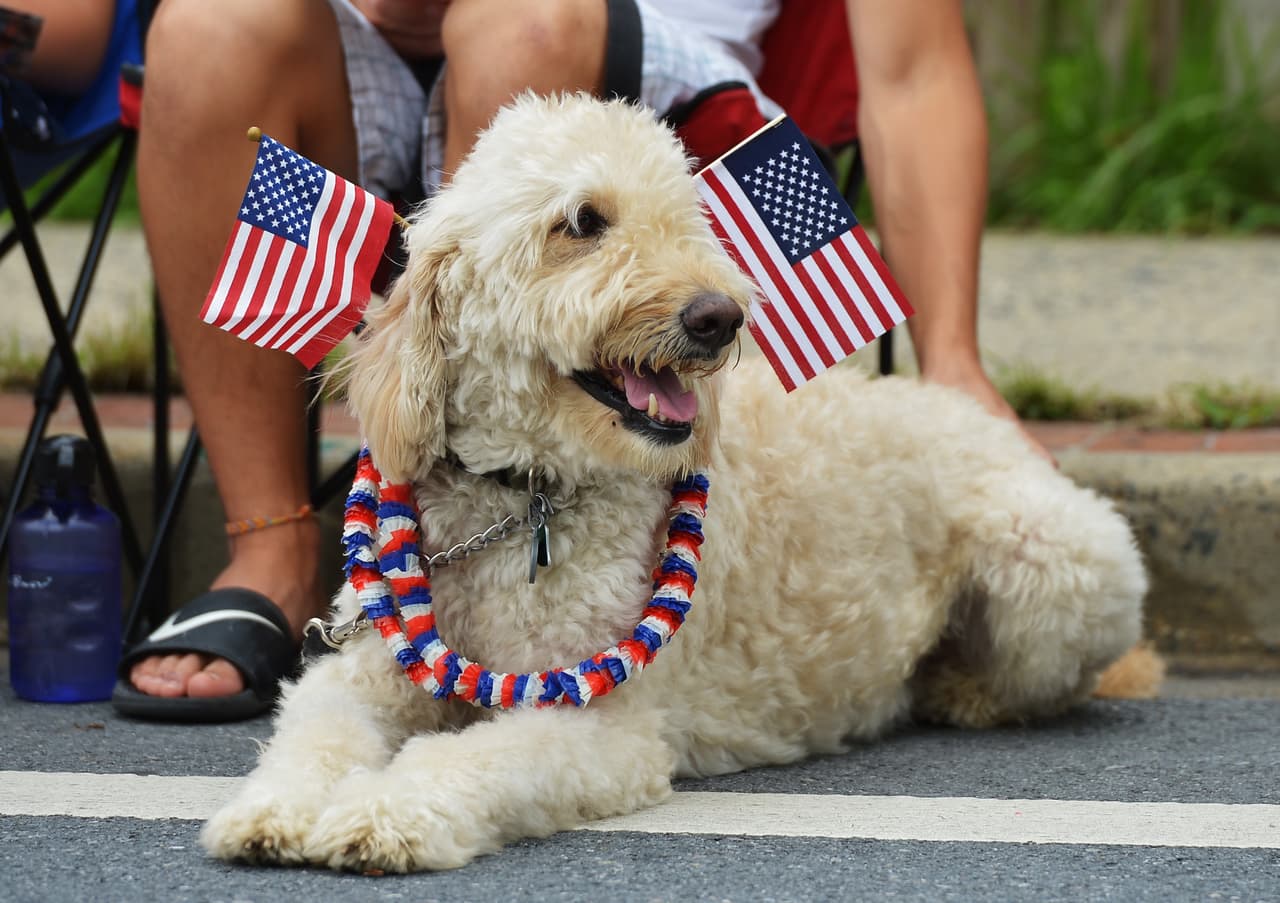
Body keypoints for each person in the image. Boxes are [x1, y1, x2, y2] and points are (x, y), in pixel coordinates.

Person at [115, 0, 1047, 719]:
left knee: (525, 19)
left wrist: (953, 356)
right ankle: (277, 544)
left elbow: (915, 72)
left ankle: (494, 527)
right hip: (357, 40)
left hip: (630, 81)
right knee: (208, 26)